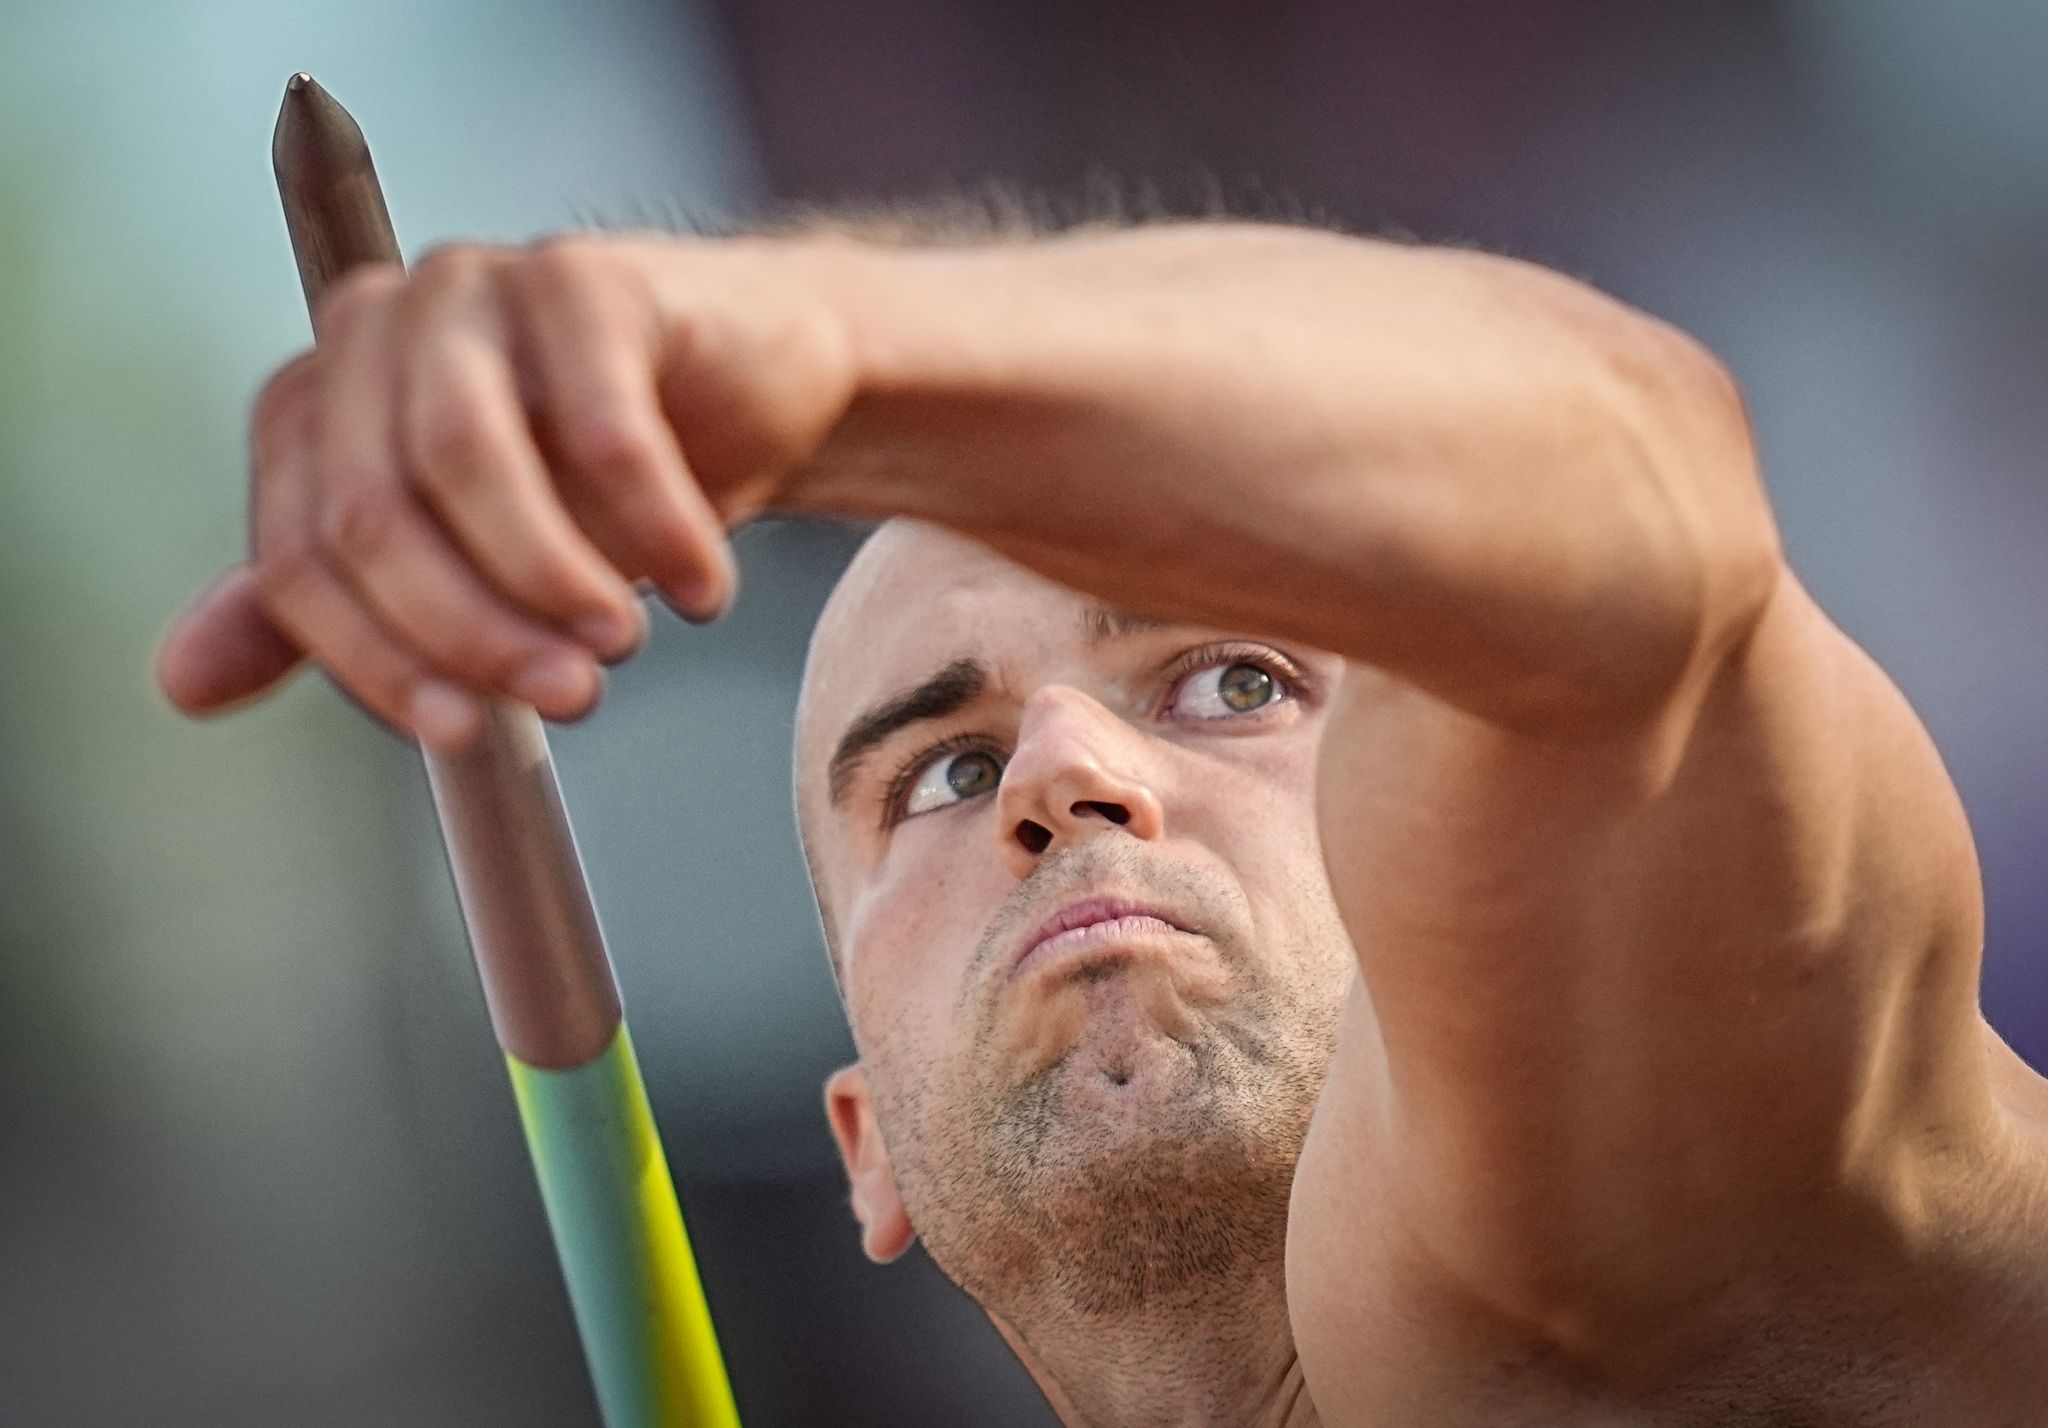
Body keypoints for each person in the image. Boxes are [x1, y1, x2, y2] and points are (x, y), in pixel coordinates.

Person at [155, 211, 2048, 1426]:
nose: (1068, 776)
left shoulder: (1752, 1186)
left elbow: (1641, 512)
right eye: (945, 773)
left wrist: (822, 350)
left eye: (1233, 684)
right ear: (867, 1145)